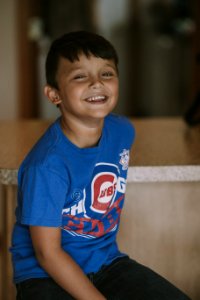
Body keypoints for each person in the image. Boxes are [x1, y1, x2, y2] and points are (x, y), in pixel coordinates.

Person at [10, 31, 191, 300]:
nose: (96, 83)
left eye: (106, 74)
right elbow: (48, 254)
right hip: (43, 275)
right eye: (80, 76)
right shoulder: (47, 166)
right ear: (54, 94)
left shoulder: (122, 132)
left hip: (106, 263)